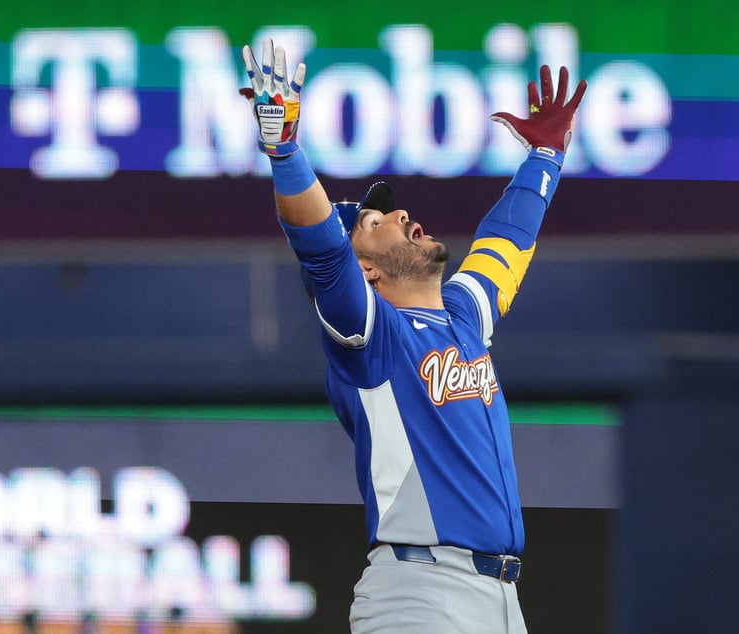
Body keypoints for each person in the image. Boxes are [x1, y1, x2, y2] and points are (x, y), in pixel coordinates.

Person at [241, 39, 586, 634]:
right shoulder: (371, 339)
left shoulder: (463, 315)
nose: (401, 215)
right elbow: (322, 250)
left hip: (500, 598)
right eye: (376, 223)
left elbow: (507, 240)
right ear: (366, 271)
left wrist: (545, 156)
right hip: (420, 593)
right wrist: (285, 150)